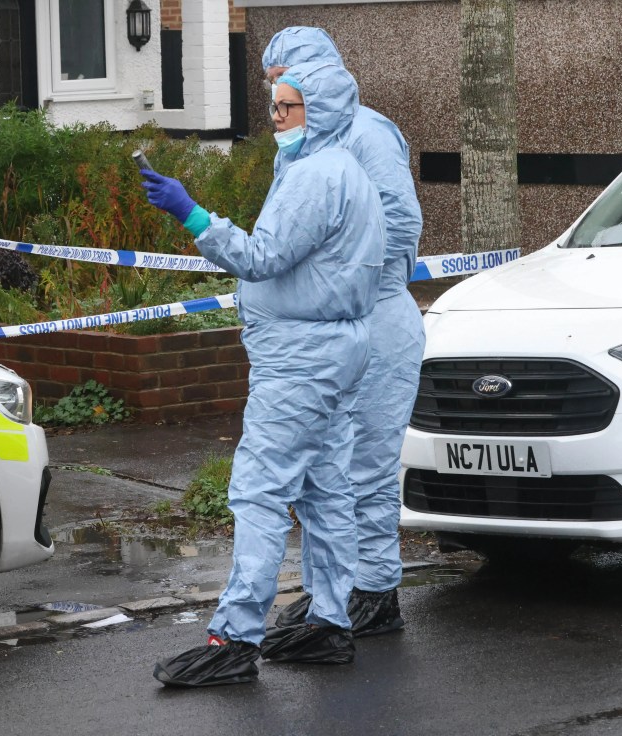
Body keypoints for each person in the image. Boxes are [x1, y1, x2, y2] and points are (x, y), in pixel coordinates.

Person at [143, 60, 385, 688]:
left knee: (259, 490)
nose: (275, 118)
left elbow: (261, 258)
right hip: (334, 351)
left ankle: (235, 635)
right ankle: (330, 622)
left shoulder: (315, 177)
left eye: (288, 106)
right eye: (273, 106)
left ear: (322, 110)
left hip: (300, 360)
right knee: (326, 489)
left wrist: (191, 213)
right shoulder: (349, 173)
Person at [264, 27, 425, 637]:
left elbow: (398, 224)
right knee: (322, 471)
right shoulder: (302, 145)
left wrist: (344, 281)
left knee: (368, 464)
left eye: (280, 80)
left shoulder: (367, 133)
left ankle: (375, 589)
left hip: (375, 319)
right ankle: (328, 591)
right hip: (329, 323)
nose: (274, 101)